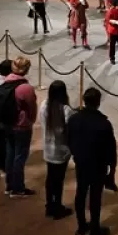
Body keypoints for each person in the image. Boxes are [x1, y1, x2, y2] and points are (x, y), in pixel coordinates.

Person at [67, 87, 117, 235]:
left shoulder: (74, 119)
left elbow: (68, 139)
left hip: (81, 162)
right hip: (98, 165)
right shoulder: (103, 124)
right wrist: (112, 168)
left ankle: (81, 226)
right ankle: (94, 228)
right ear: (98, 103)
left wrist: (76, 154)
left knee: (80, 193)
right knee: (95, 196)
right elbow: (110, 149)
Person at [3, 57, 39, 198]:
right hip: (21, 125)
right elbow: (31, 107)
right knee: (20, 157)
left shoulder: (6, 81)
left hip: (8, 123)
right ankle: (18, 188)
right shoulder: (26, 88)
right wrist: (32, 119)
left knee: (10, 154)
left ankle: (9, 185)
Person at [40, 80, 76, 219]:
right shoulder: (66, 110)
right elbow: (70, 130)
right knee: (58, 180)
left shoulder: (44, 105)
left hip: (48, 149)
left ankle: (50, 205)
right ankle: (57, 206)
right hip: (61, 150)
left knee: (50, 178)